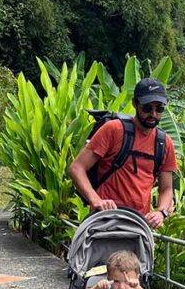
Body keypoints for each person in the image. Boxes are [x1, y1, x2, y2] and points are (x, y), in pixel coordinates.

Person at [69, 77, 177, 229]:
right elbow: (76, 168)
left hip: (138, 225)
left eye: (159, 109)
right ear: (135, 104)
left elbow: (166, 188)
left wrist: (161, 212)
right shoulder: (114, 130)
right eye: (147, 108)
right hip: (104, 220)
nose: (153, 114)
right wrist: (96, 200)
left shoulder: (164, 143)